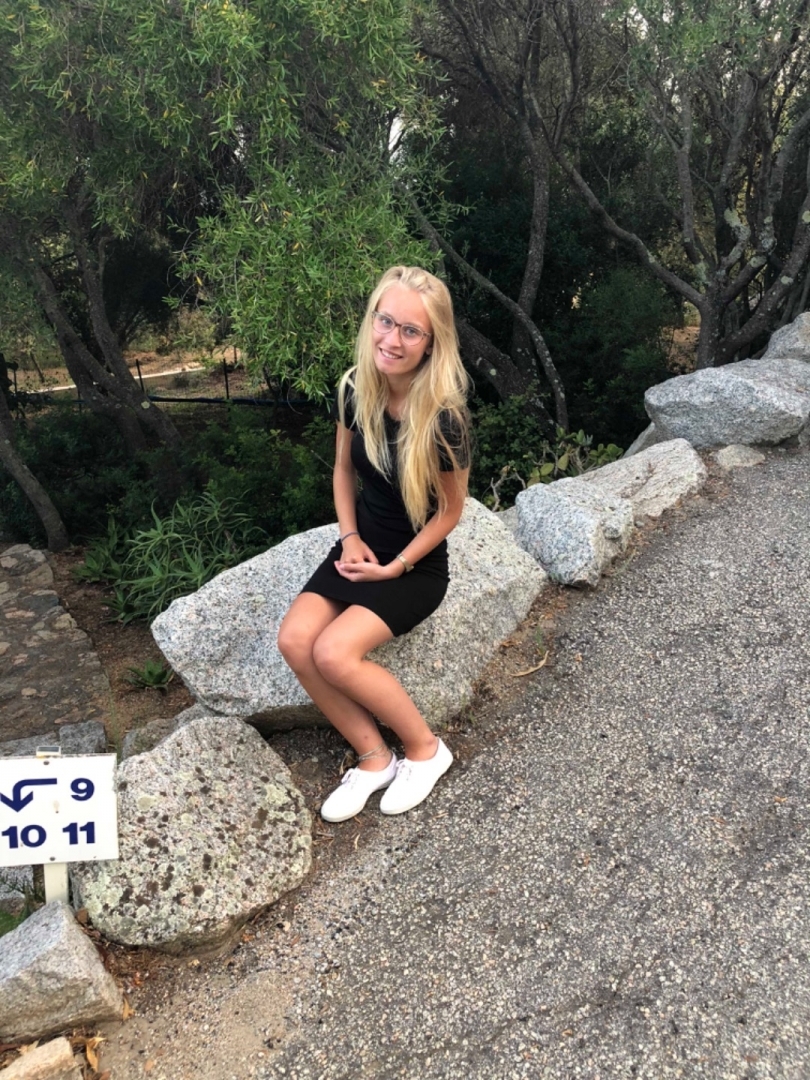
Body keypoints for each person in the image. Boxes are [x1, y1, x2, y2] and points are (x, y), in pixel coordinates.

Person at [277, 265, 471, 823]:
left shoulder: (445, 420)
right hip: (361, 547)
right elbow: (342, 471)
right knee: (295, 640)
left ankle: (425, 751)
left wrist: (395, 567)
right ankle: (374, 758)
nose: (392, 339)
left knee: (333, 652)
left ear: (432, 343)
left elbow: (451, 512)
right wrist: (350, 537)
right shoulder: (354, 387)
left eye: (411, 330)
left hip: (414, 566)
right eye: (385, 321)